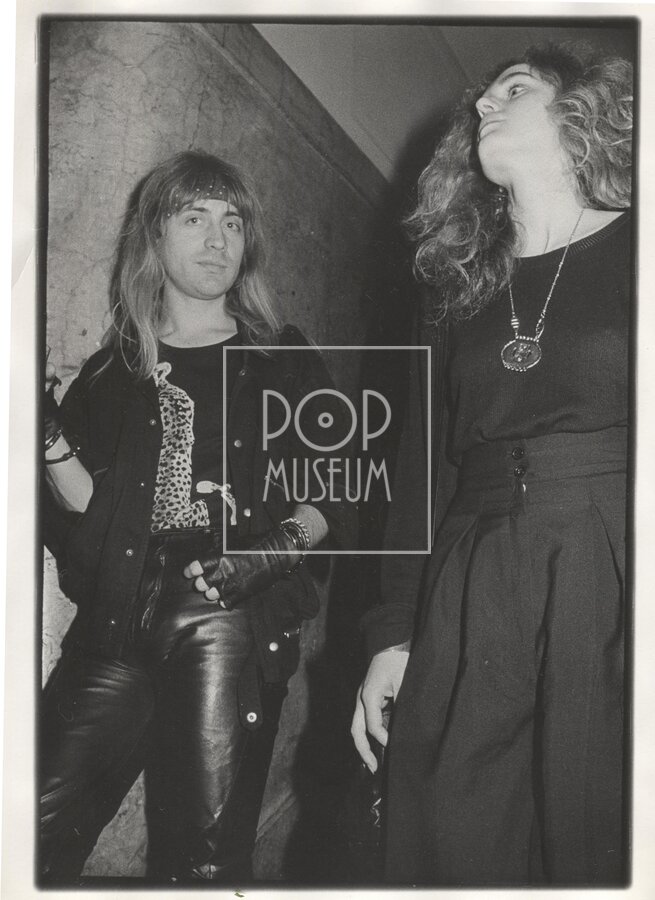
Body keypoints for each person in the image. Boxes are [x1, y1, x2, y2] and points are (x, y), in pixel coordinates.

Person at [351, 43, 633, 886]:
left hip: (612, 553)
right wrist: (391, 634)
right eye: (480, 97)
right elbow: (420, 472)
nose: (482, 105)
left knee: (596, 828)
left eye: (513, 89)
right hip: (470, 571)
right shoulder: (453, 289)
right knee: (453, 831)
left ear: (580, 109)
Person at [41, 150, 354, 883]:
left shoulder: (281, 359)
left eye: (232, 222)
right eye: (194, 218)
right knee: (29, 833)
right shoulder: (111, 371)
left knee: (203, 866)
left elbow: (342, 486)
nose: (217, 239)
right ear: (154, 235)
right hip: (115, 621)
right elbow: (90, 514)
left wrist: (271, 553)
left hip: (226, 619)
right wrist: (47, 433)